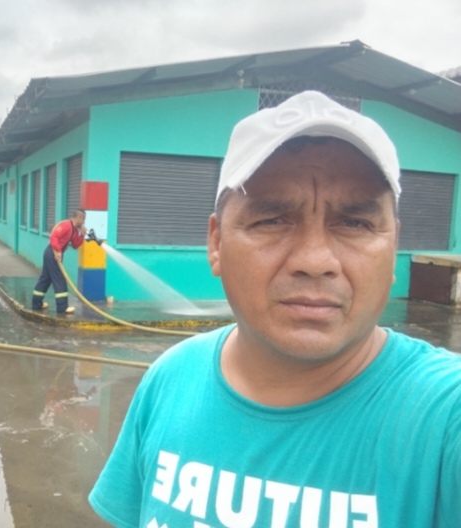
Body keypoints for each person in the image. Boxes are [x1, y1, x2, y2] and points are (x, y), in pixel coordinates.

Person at [88, 91, 461, 527]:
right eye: (272, 220)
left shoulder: (443, 417)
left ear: (393, 246)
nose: (315, 260)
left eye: (355, 223)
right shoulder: (169, 379)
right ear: (216, 243)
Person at [32, 209, 87, 314]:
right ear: (78, 218)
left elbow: (75, 245)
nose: (84, 222)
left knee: (45, 279)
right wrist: (58, 251)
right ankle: (62, 308)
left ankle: (36, 304)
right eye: (83, 219)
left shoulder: (74, 230)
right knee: (59, 279)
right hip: (52, 253)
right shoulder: (66, 225)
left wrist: (82, 235)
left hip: (55, 254)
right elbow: (54, 236)